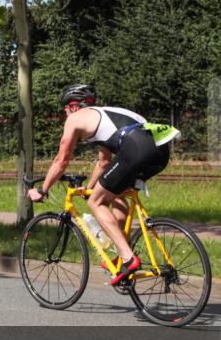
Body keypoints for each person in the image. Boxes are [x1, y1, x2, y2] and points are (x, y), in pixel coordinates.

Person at [28, 84, 180, 285]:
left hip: (135, 147)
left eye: (65, 108)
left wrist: (42, 189)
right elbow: (104, 163)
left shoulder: (75, 118)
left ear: (74, 106)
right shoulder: (106, 115)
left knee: (96, 203)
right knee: (114, 196)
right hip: (160, 150)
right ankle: (120, 255)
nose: (65, 113)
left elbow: (61, 160)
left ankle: (128, 257)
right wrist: (90, 187)